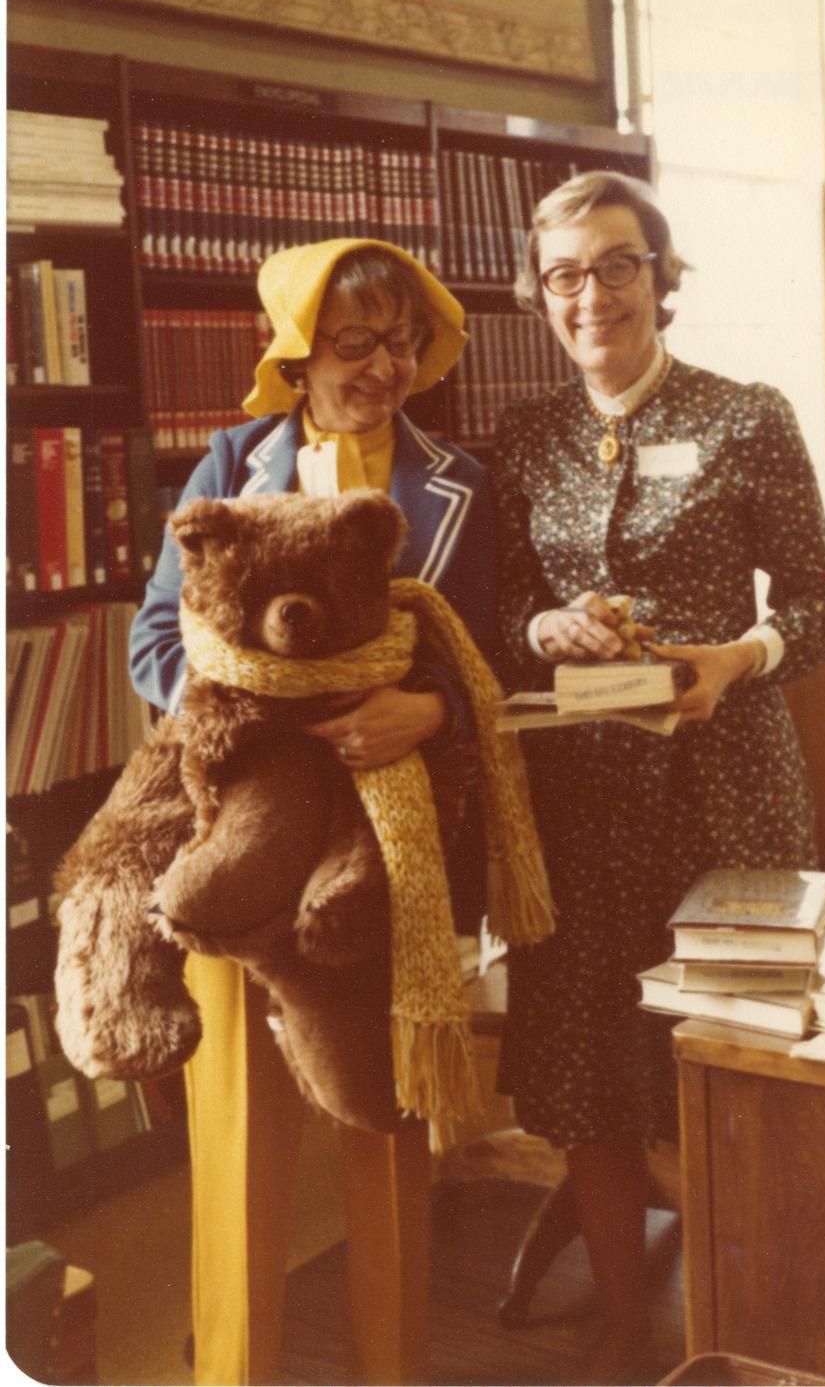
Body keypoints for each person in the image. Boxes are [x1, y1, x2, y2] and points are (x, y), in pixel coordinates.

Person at [491, 171, 825, 1384]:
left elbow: (819, 604)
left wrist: (736, 657)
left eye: (617, 264)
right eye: (564, 274)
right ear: (540, 295)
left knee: (732, 1049)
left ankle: (750, 1302)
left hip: (729, 789)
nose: (592, 294)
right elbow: (496, 607)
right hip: (577, 803)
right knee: (589, 1056)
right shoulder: (525, 439)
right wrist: (543, 627)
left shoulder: (748, 416)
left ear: (662, 274)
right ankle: (623, 1319)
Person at [130, 237, 495, 1386]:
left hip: (391, 857)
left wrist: (424, 714)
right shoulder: (231, 465)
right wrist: (261, 713)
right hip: (240, 841)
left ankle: (389, 1370)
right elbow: (154, 641)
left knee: (383, 1128)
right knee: (238, 1133)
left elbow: (477, 663)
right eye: (355, 345)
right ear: (297, 354)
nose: (385, 367)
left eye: (403, 342)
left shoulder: (461, 485)